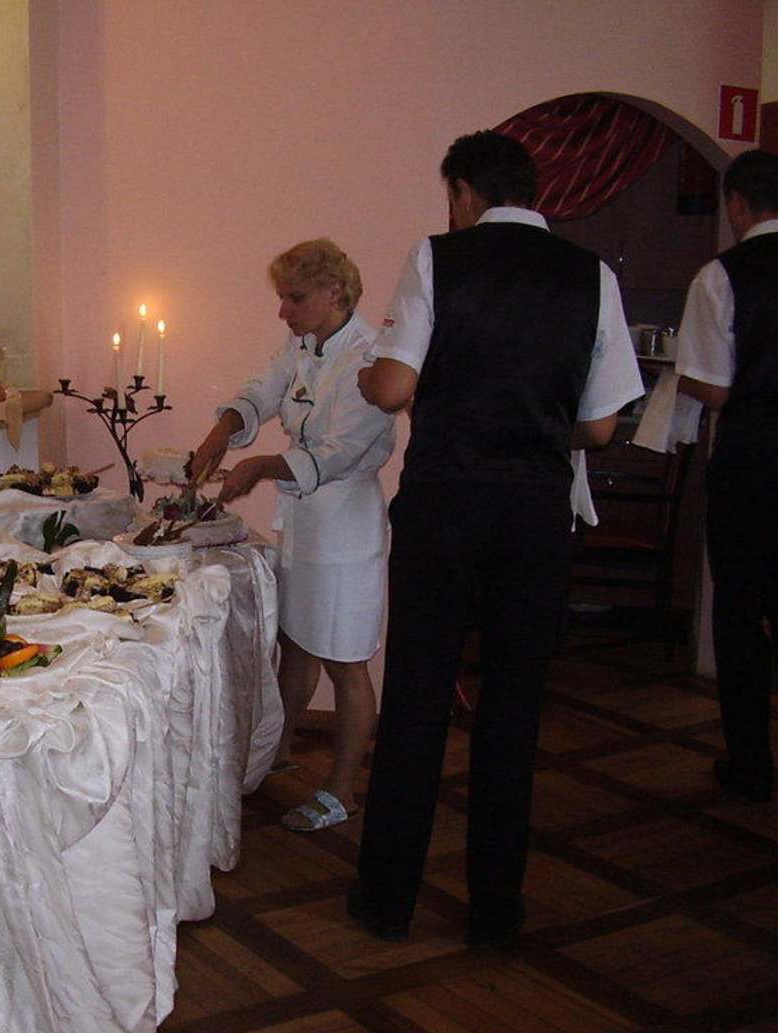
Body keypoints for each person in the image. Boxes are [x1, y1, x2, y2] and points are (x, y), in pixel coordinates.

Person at [352, 131, 644, 946]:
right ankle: (494, 910)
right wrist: (535, 423)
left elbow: (394, 386)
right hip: (534, 514)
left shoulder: (438, 257)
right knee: (514, 708)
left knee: (418, 699)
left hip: (446, 503)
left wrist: (369, 375)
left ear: (463, 192)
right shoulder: (592, 274)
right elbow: (601, 424)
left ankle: (387, 903)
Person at [189, 239, 396, 831]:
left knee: (346, 662)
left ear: (335, 292)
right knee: (297, 642)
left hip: (347, 530)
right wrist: (223, 430)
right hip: (304, 525)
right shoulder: (304, 343)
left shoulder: (370, 359)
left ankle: (341, 790)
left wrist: (259, 466)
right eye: (282, 298)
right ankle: (275, 752)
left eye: (295, 298)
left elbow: (336, 453)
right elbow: (264, 388)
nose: (284, 311)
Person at [674, 149, 778, 805]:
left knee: (741, 614)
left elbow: (711, 387)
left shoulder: (721, 276)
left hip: (753, 463)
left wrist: (684, 382)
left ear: (737, 203)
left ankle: (750, 765)